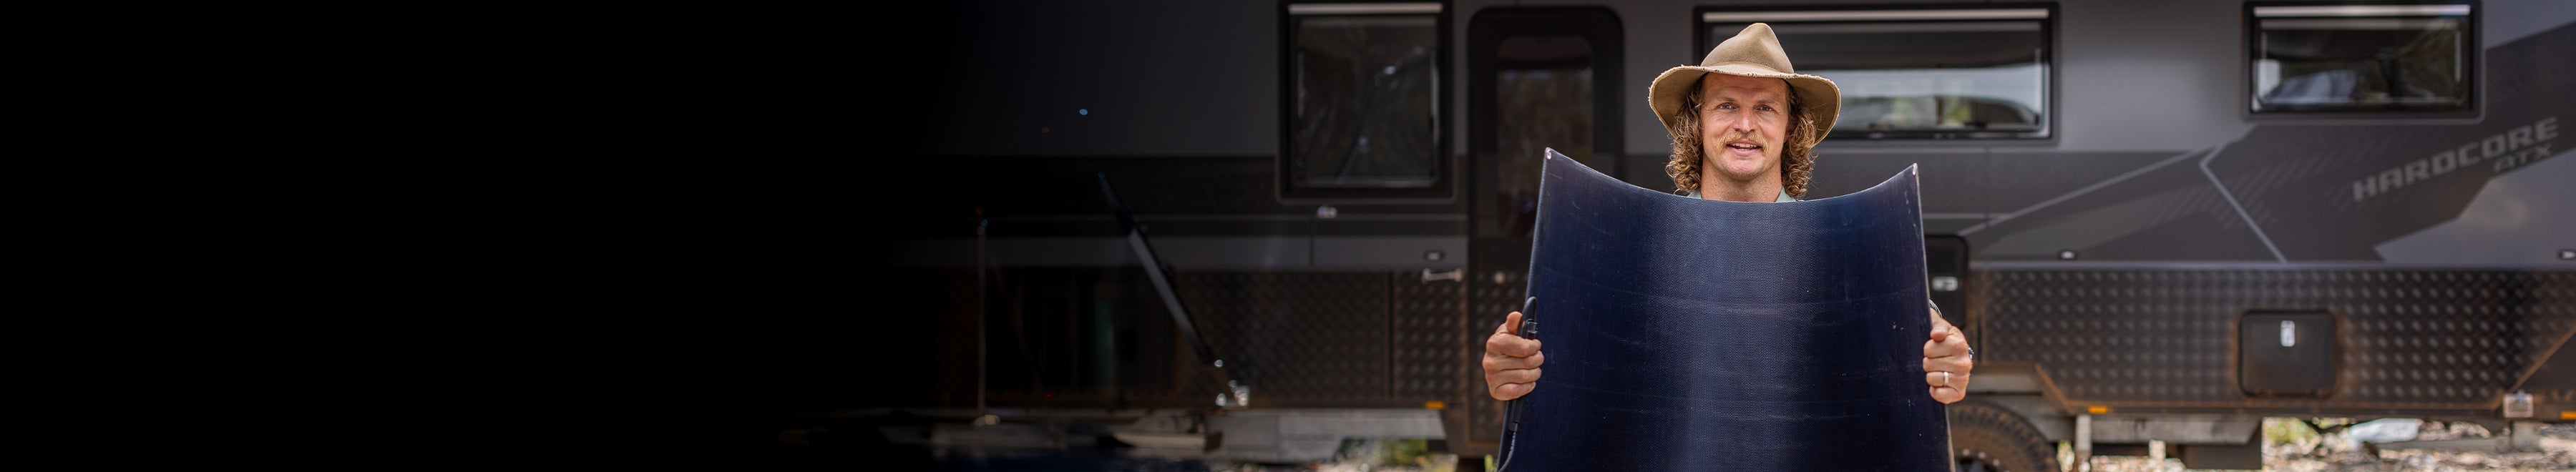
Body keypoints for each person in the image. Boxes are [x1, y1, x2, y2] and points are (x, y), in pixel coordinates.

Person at [1480, 23, 1976, 405]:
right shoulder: (1637, 247)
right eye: (1725, 106)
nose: (1745, 125)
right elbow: (1574, 363)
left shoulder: (1838, 250)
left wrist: (1948, 358)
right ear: (1696, 124)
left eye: (1765, 108)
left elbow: (1916, 336)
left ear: (1791, 129)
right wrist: (1519, 373)